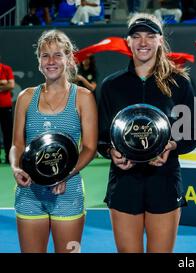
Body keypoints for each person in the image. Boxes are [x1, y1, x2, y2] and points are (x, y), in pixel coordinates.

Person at [97, 13, 196, 253]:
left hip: (164, 179)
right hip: (123, 182)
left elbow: (193, 134)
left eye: (150, 36)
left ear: (160, 41)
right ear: (128, 42)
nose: (143, 42)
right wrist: (111, 151)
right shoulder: (111, 85)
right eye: (137, 36)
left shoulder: (180, 83)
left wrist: (171, 146)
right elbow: (101, 136)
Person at [9, 30, 97, 253]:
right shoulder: (25, 97)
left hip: (68, 192)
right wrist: (15, 167)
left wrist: (65, 174)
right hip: (29, 192)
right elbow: (16, 144)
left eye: (58, 55)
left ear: (68, 58)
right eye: (45, 55)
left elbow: (89, 148)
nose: (51, 61)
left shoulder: (83, 97)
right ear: (39, 61)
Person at [0, 57, 14, 164]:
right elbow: (7, 84)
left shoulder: (6, 69)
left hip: (5, 107)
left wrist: (7, 84)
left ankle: (10, 158)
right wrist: (3, 84)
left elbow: (11, 85)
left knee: (8, 133)